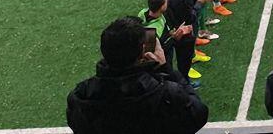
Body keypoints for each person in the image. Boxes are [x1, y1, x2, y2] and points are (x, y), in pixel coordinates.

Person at [67, 17, 208, 134]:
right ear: (142, 52)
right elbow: (198, 114)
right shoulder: (166, 93)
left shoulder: (81, 94)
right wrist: (165, 68)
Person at [160, 0, 217, 85]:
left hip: (170, 28)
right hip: (183, 32)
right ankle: (185, 83)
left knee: (168, 62)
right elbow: (191, 17)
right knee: (184, 61)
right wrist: (200, 2)